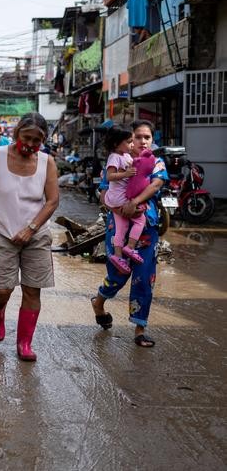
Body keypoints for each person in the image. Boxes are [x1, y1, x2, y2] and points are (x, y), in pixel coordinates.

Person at [0, 112, 59, 361]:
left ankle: (24, 344)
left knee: (32, 290)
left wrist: (31, 228)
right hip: (3, 232)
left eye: (36, 141)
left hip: (36, 234)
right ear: (16, 132)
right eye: (26, 137)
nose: (30, 145)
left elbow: (52, 201)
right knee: (3, 290)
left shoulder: (47, 162)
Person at [90, 120, 168, 348]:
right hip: (119, 226)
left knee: (144, 279)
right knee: (116, 275)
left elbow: (154, 185)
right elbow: (103, 195)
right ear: (128, 139)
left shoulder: (156, 161)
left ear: (152, 140)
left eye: (148, 137)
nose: (143, 141)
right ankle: (98, 302)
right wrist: (117, 207)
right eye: (138, 136)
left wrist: (134, 203)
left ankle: (140, 329)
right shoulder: (117, 161)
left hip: (147, 227)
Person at [102, 128, 145, 274]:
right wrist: (126, 173)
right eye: (129, 142)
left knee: (122, 227)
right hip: (119, 198)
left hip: (117, 199)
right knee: (140, 220)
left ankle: (118, 255)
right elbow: (109, 176)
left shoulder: (126, 155)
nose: (132, 144)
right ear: (116, 144)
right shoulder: (114, 156)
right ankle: (130, 247)